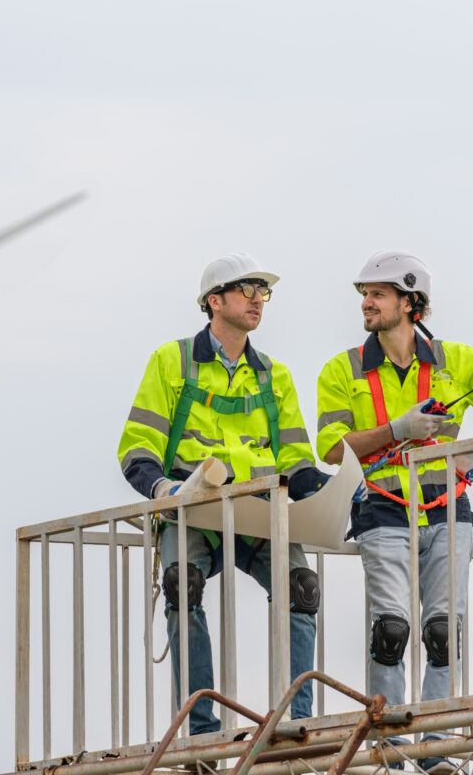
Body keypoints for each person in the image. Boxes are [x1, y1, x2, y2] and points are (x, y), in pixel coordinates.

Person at [316, 251, 473, 773]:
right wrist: (397, 431)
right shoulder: (342, 369)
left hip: (446, 510)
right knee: (390, 629)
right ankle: (391, 749)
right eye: (364, 294)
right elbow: (331, 449)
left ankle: (436, 747)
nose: (366, 303)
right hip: (382, 510)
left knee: (443, 631)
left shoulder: (455, 360)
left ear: (411, 304)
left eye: (377, 294)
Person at [118, 252, 329, 735]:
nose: (259, 300)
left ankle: (300, 723)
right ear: (215, 301)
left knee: (302, 588)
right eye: (248, 290)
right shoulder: (172, 361)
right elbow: (136, 448)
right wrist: (164, 488)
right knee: (181, 586)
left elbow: (296, 460)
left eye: (263, 292)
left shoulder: (275, 375)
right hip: (192, 508)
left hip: (257, 512)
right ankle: (201, 729)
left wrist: (330, 494)